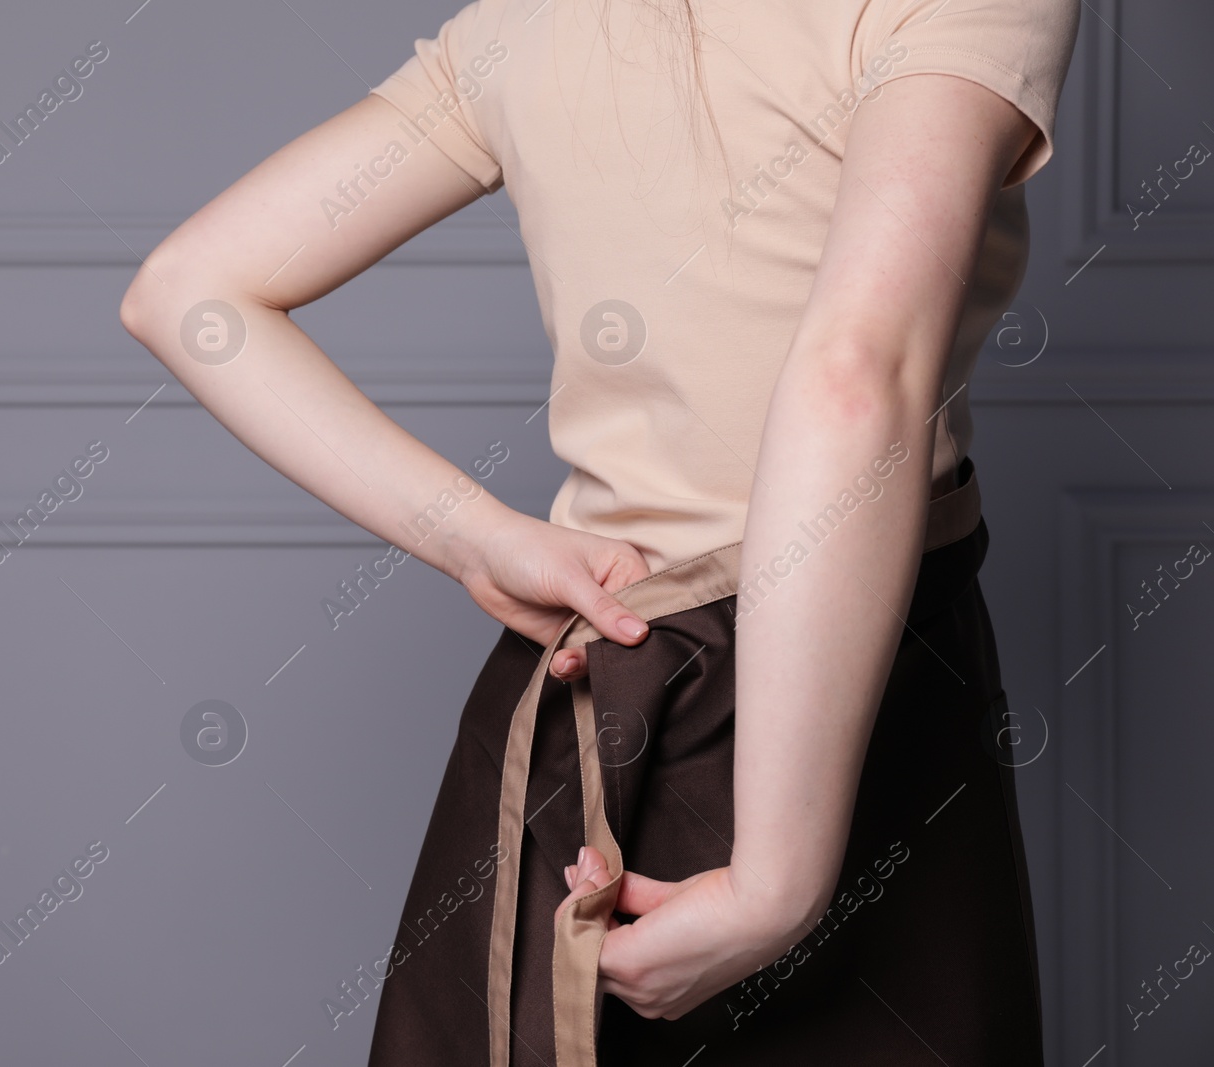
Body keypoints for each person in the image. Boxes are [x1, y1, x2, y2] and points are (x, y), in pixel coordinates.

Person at [118, 0, 1081, 1061]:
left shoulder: (525, 20)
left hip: (589, 687)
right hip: (850, 694)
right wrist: (778, 874)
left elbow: (184, 292)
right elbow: (857, 378)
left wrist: (472, 532)